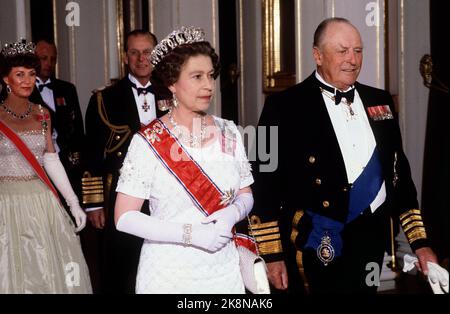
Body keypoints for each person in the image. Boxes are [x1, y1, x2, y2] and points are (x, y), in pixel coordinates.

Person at [251, 17, 439, 294]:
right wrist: (271, 255)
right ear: (317, 55)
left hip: (371, 242)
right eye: (342, 51)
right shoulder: (282, 106)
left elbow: (400, 180)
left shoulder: (381, 101)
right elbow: (263, 183)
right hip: (317, 240)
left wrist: (420, 243)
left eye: (358, 50)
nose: (353, 59)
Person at [114, 26, 255, 293]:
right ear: (172, 84)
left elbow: (246, 194)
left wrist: (231, 213)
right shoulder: (148, 142)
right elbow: (124, 218)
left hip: (224, 272)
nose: (209, 85)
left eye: (211, 76)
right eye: (197, 76)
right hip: (168, 274)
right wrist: (192, 234)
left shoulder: (229, 131)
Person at [0, 39, 91, 293]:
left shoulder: (42, 114)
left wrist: (73, 202)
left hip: (42, 203)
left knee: (48, 271)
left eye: (31, 74)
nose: (28, 81)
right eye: (20, 75)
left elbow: (51, 159)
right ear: (6, 79)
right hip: (5, 204)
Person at [83, 29, 163, 293]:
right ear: (125, 56)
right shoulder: (104, 98)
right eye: (134, 52)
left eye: (147, 52)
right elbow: (92, 154)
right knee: (119, 268)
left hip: (166, 193)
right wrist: (94, 204)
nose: (142, 59)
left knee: (161, 266)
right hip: (121, 194)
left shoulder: (174, 91)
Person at [29, 39, 85, 201]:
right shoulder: (24, 90)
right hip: (38, 166)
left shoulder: (67, 89)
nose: (48, 63)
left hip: (68, 165)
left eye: (53, 59)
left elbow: (78, 130)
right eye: (43, 58)